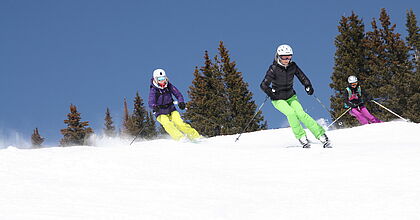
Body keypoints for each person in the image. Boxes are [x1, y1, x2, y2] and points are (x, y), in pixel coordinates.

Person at [260, 44, 330, 148]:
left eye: (289, 57)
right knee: (291, 113)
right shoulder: (273, 68)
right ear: (278, 56)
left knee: (301, 114)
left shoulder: (293, 66)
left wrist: (307, 85)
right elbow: (263, 85)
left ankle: (320, 134)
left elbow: (302, 76)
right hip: (278, 99)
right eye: (284, 57)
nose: (287, 59)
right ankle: (301, 136)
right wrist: (271, 93)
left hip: (291, 96)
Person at [148, 68, 201, 141]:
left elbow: (178, 94)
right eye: (160, 79)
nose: (162, 81)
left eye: (163, 78)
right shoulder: (154, 90)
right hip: (160, 112)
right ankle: (180, 138)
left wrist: (181, 102)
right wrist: (154, 106)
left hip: (171, 109)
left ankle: (195, 136)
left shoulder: (169, 86)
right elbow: (151, 101)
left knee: (179, 123)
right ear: (156, 80)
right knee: (167, 124)